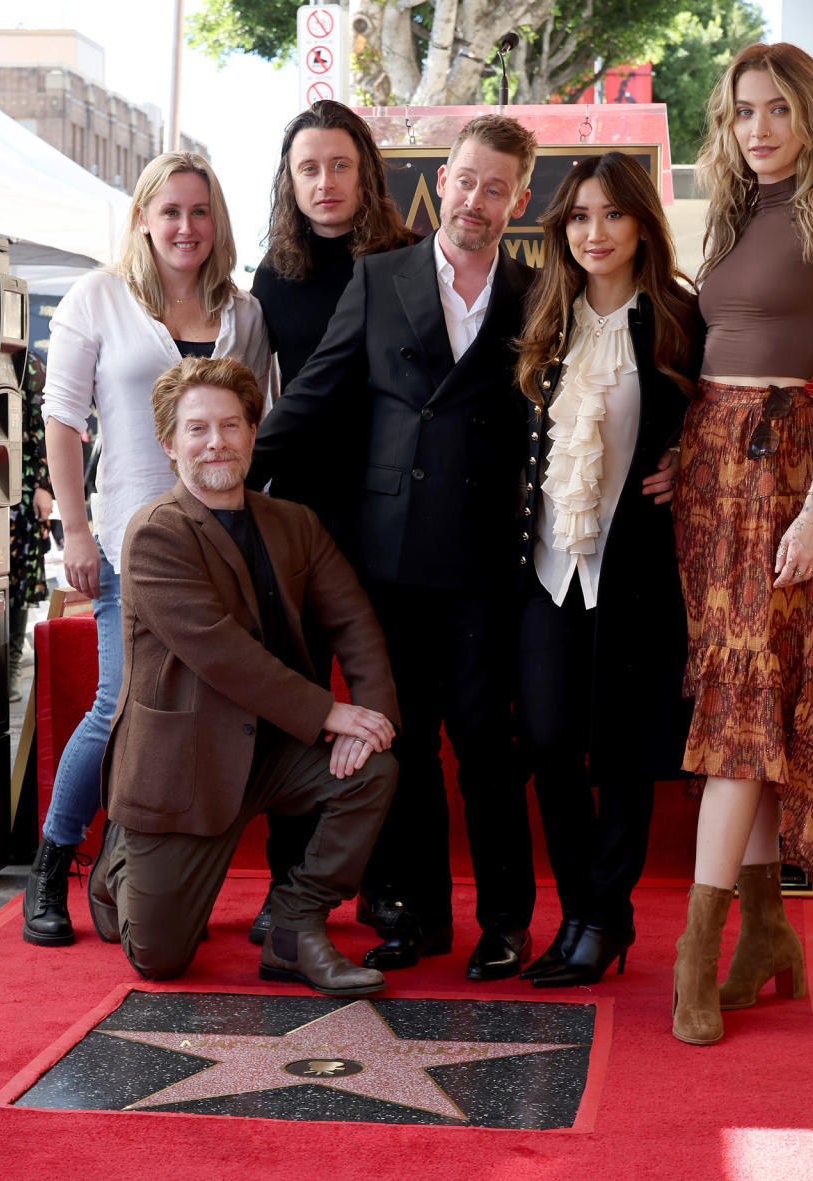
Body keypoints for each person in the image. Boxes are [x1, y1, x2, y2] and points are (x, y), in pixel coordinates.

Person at [248, 115, 538, 981]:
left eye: (498, 187)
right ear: (440, 182)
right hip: (388, 556)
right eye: (467, 180)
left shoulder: (537, 290)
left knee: (488, 744)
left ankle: (506, 922)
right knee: (404, 745)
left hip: (488, 556)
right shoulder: (378, 279)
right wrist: (222, 479)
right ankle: (415, 915)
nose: (477, 200)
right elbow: (311, 397)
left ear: (518, 199)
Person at [670, 42, 813, 1045]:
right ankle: (764, 935)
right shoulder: (731, 213)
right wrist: (683, 454)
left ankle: (694, 964)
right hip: (713, 472)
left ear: (811, 116)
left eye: (776, 111)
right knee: (736, 713)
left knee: (746, 709)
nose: (757, 129)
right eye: (742, 112)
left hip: (786, 475)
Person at [87, 356, 399, 994]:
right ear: (169, 444)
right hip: (185, 766)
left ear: (254, 434)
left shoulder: (294, 523)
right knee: (161, 960)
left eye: (231, 426)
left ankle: (294, 925)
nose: (216, 443)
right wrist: (328, 713)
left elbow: (354, 621)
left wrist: (373, 718)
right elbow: (221, 651)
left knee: (373, 768)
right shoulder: (153, 534)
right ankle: (117, 865)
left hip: (272, 747)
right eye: (197, 429)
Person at [22, 152, 270, 947]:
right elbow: (62, 423)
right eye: (171, 212)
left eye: (200, 212)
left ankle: (156, 875)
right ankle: (52, 866)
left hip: (225, 549)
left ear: (216, 221)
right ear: (143, 218)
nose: (186, 227)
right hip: (132, 543)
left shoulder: (246, 312)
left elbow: (250, 426)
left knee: (197, 715)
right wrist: (78, 530)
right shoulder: (98, 297)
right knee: (120, 703)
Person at [514, 152, 700, 988]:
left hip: (635, 574)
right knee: (551, 743)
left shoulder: (678, 320)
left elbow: (723, 419)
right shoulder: (543, 316)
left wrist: (689, 457)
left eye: (613, 215)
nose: (595, 233)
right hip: (549, 568)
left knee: (621, 752)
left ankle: (595, 918)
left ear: (641, 225)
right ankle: (595, 910)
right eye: (580, 216)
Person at [246, 100, 415, 946]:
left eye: (339, 165)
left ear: (367, 172)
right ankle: (290, 887)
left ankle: (384, 883)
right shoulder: (272, 275)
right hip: (294, 511)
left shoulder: (405, 261)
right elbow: (266, 395)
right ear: (289, 178)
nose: (323, 182)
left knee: (385, 697)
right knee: (296, 701)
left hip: (387, 511)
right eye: (307, 168)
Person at [9, 353, 53, 703]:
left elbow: (48, 426)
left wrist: (43, 485)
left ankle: (9, 668)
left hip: (23, 485)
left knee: (20, 577)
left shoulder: (31, 365)